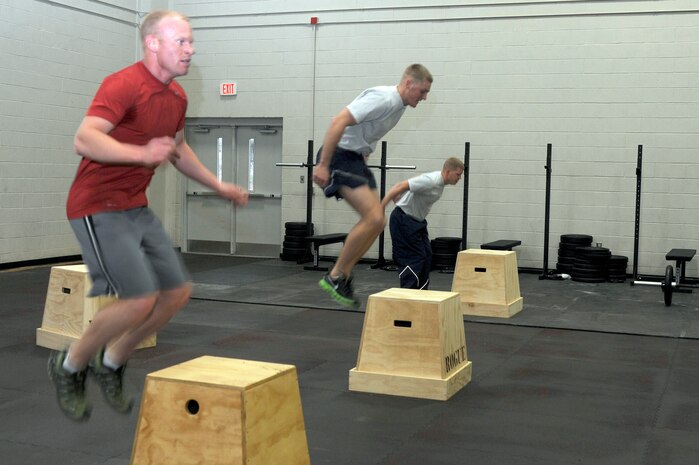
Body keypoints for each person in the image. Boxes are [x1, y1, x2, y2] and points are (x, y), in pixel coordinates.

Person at [47, 10, 248, 421]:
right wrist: (140, 154)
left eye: (192, 42)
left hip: (135, 206)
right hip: (96, 205)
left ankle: (113, 360)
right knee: (138, 300)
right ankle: (69, 365)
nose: (190, 50)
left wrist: (219, 184)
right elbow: (84, 139)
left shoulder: (176, 97)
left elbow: (178, 150)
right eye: (181, 42)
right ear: (153, 43)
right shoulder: (123, 84)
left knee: (176, 292)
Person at [313, 64, 433, 308]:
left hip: (354, 159)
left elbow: (365, 133)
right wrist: (324, 164)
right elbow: (339, 121)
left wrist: (364, 155)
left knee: (378, 221)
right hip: (339, 156)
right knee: (373, 217)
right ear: (409, 83)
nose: (424, 97)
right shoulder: (385, 98)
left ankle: (340, 275)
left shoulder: (398, 107)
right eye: (422, 91)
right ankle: (336, 275)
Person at [381, 157, 464, 289]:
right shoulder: (432, 181)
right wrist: (379, 209)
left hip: (416, 222)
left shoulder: (439, 183)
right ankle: (408, 295)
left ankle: (420, 294)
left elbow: (407, 187)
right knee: (415, 258)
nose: (459, 178)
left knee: (426, 255)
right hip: (404, 221)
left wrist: (399, 197)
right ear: (448, 171)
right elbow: (399, 186)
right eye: (458, 174)